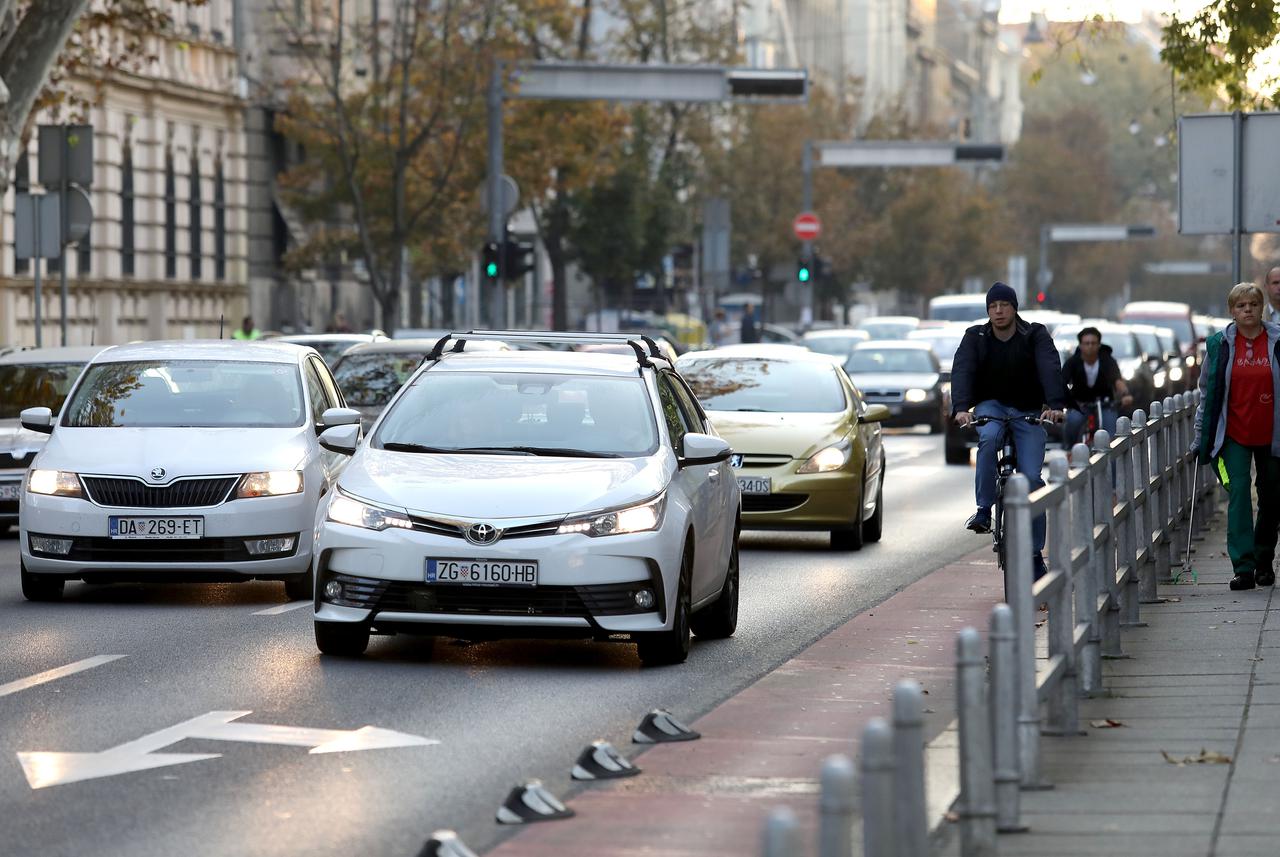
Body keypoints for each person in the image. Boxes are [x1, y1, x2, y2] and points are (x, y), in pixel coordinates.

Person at [951, 282, 1067, 580]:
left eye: (1004, 305)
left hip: (1028, 410)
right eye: (992, 306)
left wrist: (1055, 404)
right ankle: (983, 510)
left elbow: (1049, 367)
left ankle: (1035, 555)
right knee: (988, 438)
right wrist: (961, 408)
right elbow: (962, 371)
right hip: (990, 407)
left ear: (1015, 308)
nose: (998, 311)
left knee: (1032, 480)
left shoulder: (1035, 335)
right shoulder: (975, 337)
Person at [1191, 282, 1280, 591]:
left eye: (1253, 305)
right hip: (1233, 434)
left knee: (1272, 498)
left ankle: (1264, 559)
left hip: (1273, 434)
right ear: (1232, 311)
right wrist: (1200, 435)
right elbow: (1207, 393)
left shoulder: (1277, 341)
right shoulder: (1220, 345)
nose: (1248, 310)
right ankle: (1243, 567)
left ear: (1261, 308)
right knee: (1239, 492)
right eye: (1241, 306)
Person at [1061, 326, 1134, 447]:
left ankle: (1110, 456)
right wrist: (1059, 400)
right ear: (1080, 345)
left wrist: (1125, 395)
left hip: (1105, 403)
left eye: (1093, 343)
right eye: (1086, 343)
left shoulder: (1107, 360)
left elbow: (1117, 381)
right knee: (1073, 421)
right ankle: (1070, 449)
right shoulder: (1073, 362)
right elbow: (1062, 382)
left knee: (1110, 432)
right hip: (1080, 404)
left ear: (1099, 345)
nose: (1090, 346)